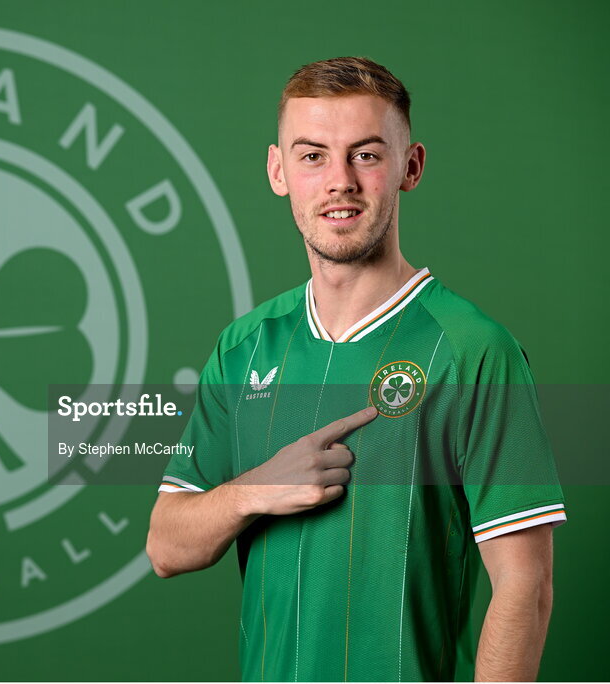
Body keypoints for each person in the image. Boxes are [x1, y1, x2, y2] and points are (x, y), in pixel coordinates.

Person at [146, 57, 566, 682]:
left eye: (366, 155)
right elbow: (166, 546)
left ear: (410, 166)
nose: (339, 180)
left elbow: (524, 587)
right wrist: (259, 488)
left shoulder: (475, 350)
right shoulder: (244, 346)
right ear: (278, 170)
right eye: (312, 155)